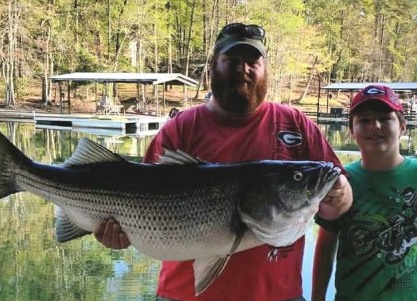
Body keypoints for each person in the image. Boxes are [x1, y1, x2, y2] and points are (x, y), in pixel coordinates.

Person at [95, 22, 353, 301]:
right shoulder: (180, 129)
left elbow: (336, 197)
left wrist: (341, 195)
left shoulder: (295, 124)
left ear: (265, 69)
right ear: (213, 66)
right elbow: (135, 195)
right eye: (232, 60)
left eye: (253, 61)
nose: (243, 69)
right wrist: (117, 234)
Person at [312, 84, 417, 301]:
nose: (374, 126)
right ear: (352, 130)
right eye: (364, 120)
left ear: (403, 126)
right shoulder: (340, 181)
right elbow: (325, 247)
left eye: (385, 118)